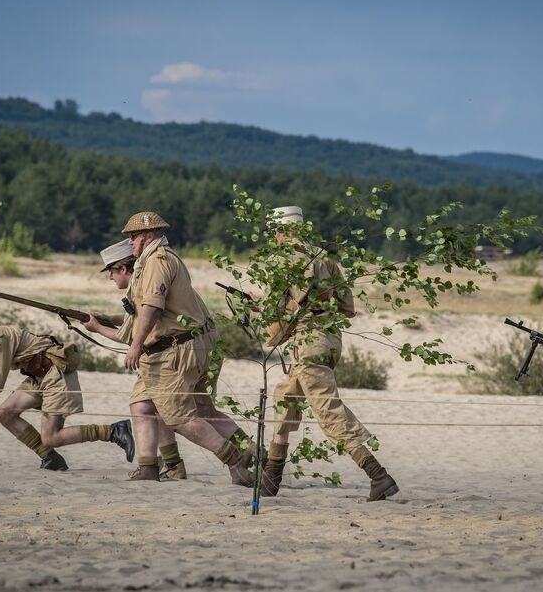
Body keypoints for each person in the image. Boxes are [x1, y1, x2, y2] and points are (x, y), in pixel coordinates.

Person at [86, 212, 254, 484]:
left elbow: (152, 308)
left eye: (133, 237)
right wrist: (106, 322)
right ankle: (150, 466)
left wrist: (135, 345)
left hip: (174, 350)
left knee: (180, 418)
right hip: (186, 344)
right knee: (144, 405)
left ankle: (236, 458)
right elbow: (146, 314)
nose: (130, 242)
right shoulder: (154, 261)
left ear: (148, 236)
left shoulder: (156, 262)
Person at [259, 206, 399, 502]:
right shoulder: (325, 257)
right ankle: (270, 481)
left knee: (329, 412)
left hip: (307, 342)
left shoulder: (286, 259)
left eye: (275, 230)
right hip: (328, 338)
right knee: (284, 401)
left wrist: (264, 314)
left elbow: (281, 312)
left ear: (282, 230)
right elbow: (346, 307)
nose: (274, 236)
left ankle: (378, 475)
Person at [0, 305, 135, 471]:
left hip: (55, 375)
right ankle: (50, 458)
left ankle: (112, 431)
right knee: (5, 413)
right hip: (38, 377)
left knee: (51, 437)